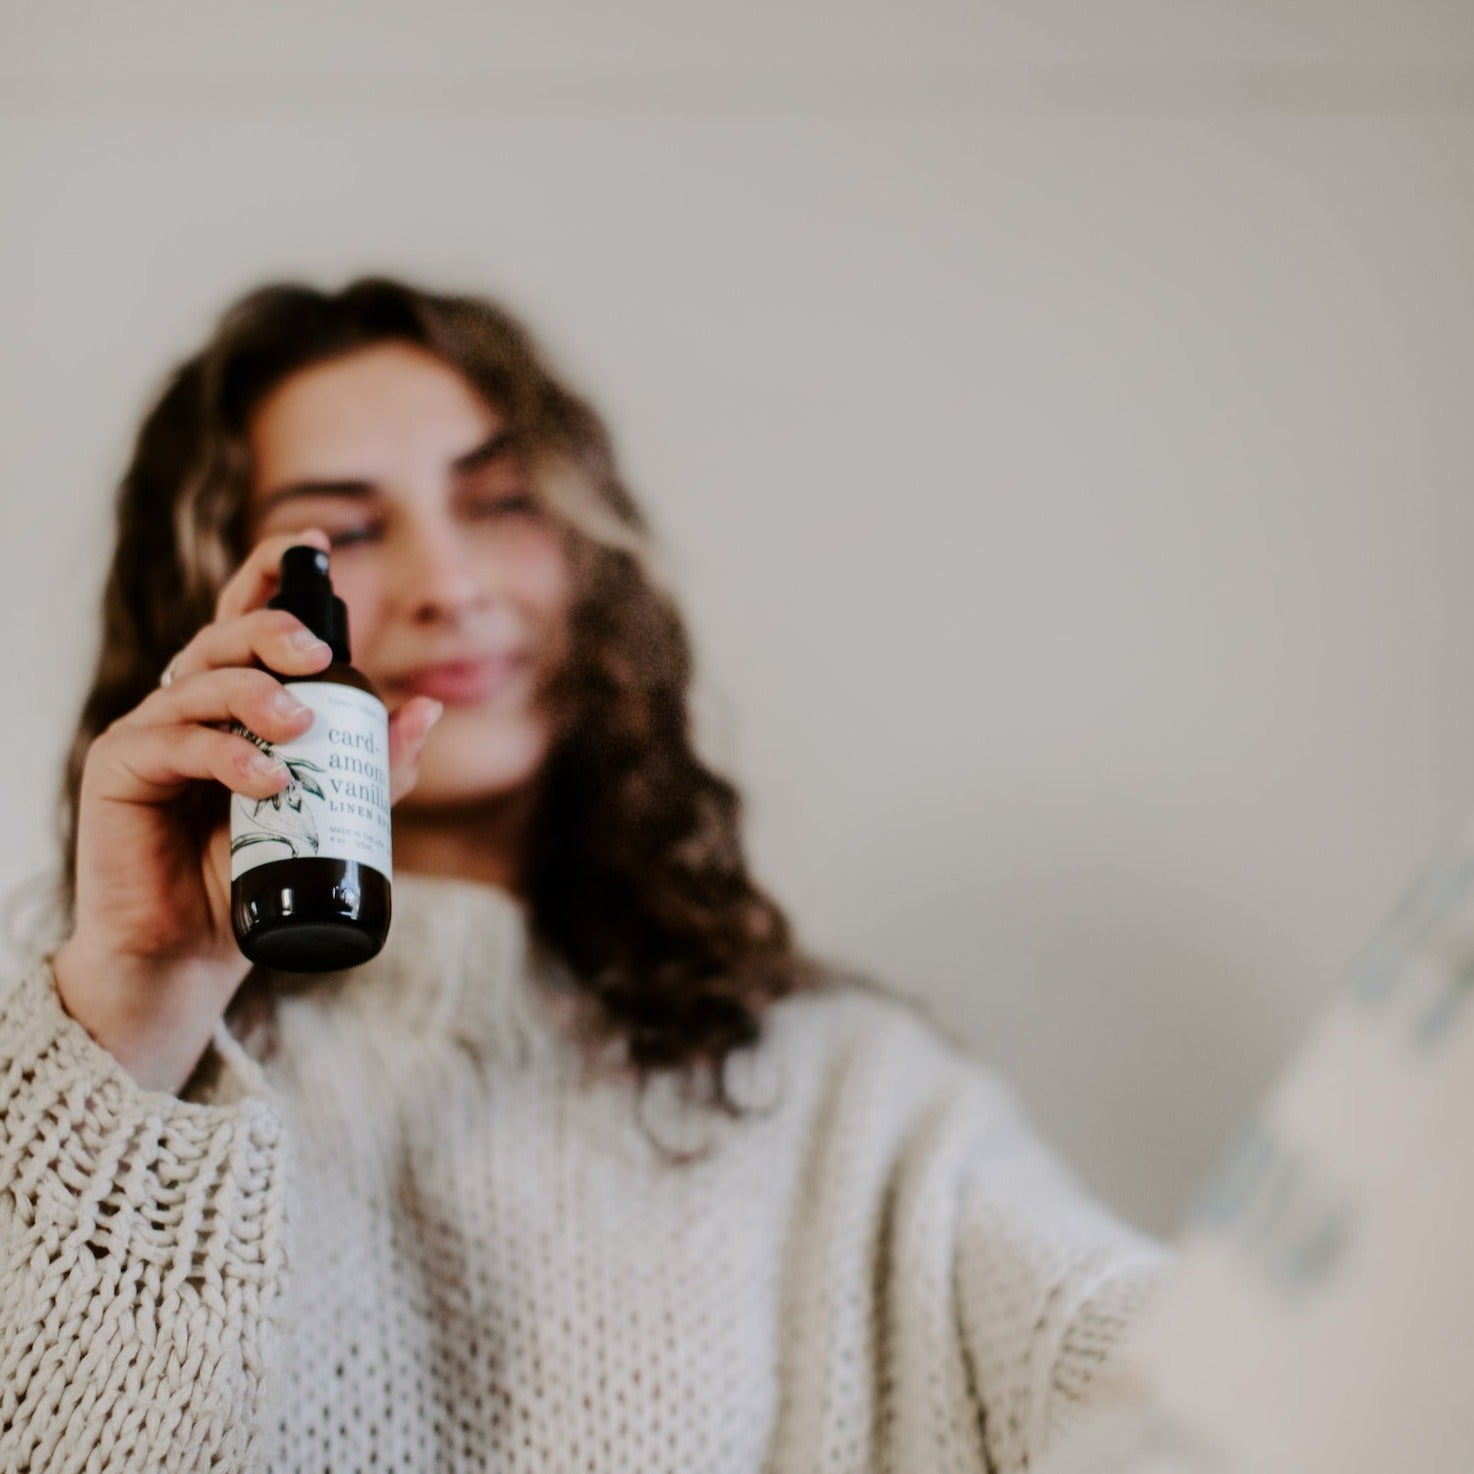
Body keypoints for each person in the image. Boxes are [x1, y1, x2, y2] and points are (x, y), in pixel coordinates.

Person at [0, 277, 1171, 1473]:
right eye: (342, 531)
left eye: (500, 500)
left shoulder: (842, 1090)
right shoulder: (52, 1058)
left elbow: (1145, 1360)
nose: (450, 585)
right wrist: (133, 1023)